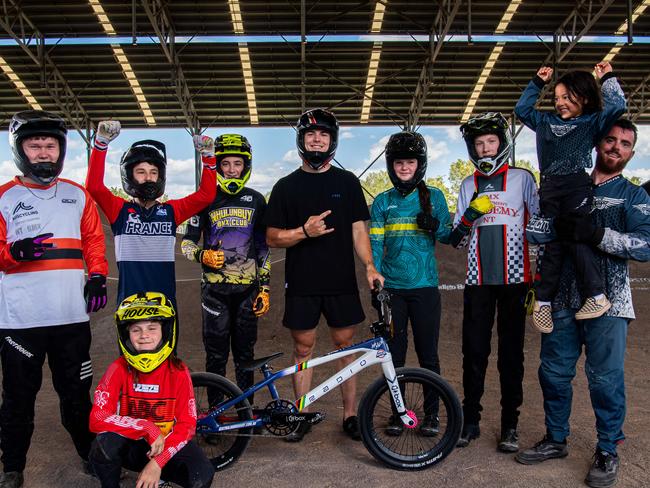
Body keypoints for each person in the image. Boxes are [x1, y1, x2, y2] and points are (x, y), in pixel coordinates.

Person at [516, 119, 650, 488]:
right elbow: (536, 233)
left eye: (624, 144)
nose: (616, 147)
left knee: (605, 379)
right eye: (610, 139)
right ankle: (556, 439)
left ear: (631, 154)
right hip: (559, 297)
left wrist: (597, 234)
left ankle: (607, 448)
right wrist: (543, 225)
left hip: (610, 302)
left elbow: (645, 245)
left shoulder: (634, 196)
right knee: (553, 373)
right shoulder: (566, 186)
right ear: (597, 143)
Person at [0, 110, 109, 488]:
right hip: (20, 322)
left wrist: (97, 275)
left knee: (78, 397)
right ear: (20, 150)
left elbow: (94, 240)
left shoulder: (76, 194)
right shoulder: (4, 197)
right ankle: (12, 469)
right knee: (18, 402)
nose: (44, 153)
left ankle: (91, 456)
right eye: (35, 146)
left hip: (70, 319)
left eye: (51, 145)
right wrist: (14, 252)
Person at [266, 108, 383, 442]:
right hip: (302, 282)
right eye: (310, 135)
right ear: (302, 140)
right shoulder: (286, 186)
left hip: (341, 281)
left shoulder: (347, 182)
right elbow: (272, 237)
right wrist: (304, 231)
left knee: (345, 347)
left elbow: (359, 230)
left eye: (323, 136)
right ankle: (301, 415)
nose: (316, 140)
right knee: (304, 349)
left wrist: (369, 266)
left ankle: (350, 415)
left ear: (332, 141)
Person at [514, 61, 626, 333]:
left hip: (577, 186)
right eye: (557, 98)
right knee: (552, 243)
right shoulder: (544, 120)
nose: (560, 102)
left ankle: (596, 296)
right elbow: (521, 109)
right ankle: (542, 303)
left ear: (584, 98)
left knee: (575, 238)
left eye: (568, 97)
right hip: (550, 187)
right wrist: (537, 83)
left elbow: (617, 105)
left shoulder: (592, 121)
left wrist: (606, 77)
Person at [452, 112, 539, 451]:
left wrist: (540, 279)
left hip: (516, 280)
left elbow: (539, 229)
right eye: (479, 143)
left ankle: (509, 425)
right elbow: (456, 240)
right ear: (473, 148)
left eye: (491, 142)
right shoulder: (466, 185)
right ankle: (470, 420)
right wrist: (471, 214)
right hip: (478, 282)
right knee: (473, 352)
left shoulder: (522, 179)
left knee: (511, 355)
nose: (486, 149)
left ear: (502, 144)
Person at [369, 130, 452, 436]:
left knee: (428, 354)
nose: (405, 168)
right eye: (400, 162)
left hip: (425, 288)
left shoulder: (436, 197)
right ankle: (398, 414)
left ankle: (432, 416)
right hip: (393, 292)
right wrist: (375, 281)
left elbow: (448, 236)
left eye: (411, 162)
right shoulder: (382, 202)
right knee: (396, 355)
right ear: (392, 166)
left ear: (421, 165)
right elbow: (375, 246)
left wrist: (437, 226)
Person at [88, 292, 215, 488]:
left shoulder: (179, 371)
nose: (144, 335)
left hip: (168, 445)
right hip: (133, 445)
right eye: (136, 330)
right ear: (126, 335)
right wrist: (146, 427)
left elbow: (186, 426)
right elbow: (97, 418)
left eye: (152, 328)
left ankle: (157, 474)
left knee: (203, 475)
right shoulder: (118, 368)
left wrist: (157, 463)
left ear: (165, 330)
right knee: (102, 446)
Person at [85, 121, 217, 309]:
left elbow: (206, 196)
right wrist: (100, 143)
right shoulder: (119, 211)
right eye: (141, 172)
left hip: (165, 304)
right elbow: (94, 187)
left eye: (153, 172)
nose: (148, 177)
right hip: (129, 304)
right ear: (129, 175)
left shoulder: (171, 211)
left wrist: (209, 157)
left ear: (160, 176)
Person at [181, 133, 271, 397]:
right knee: (216, 355)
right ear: (217, 166)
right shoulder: (204, 198)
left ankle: (246, 410)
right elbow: (186, 243)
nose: (232, 170)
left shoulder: (256, 200)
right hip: (214, 291)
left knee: (246, 354)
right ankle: (216, 412)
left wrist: (264, 288)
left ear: (246, 166)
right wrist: (201, 256)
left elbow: (263, 247)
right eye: (226, 164)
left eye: (237, 164)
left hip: (247, 291)